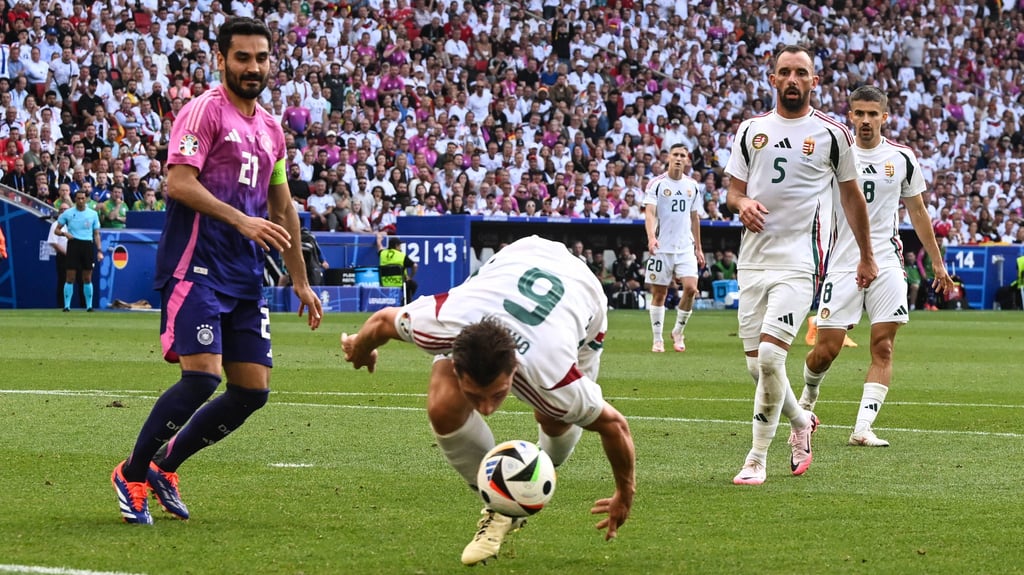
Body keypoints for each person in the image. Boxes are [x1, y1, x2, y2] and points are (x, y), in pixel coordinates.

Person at [110, 18, 323, 525]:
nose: (253, 67)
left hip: (244, 276)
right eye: (243, 58)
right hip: (196, 266)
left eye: (261, 58)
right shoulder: (203, 111)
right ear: (221, 60)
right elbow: (178, 184)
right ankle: (132, 474)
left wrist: (300, 279)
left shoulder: (271, 129)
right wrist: (239, 220)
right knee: (201, 378)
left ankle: (165, 467)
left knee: (252, 391)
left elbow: (283, 208)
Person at [340, 235, 635, 565]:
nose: (487, 409)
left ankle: (523, 489)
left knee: (555, 415)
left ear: (513, 371)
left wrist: (625, 492)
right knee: (443, 406)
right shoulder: (442, 323)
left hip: (582, 294)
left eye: (497, 394)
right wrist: (360, 349)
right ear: (453, 356)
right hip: (511, 261)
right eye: (475, 395)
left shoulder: (553, 377)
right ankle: (501, 505)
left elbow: (615, 426)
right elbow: (382, 322)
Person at [724, 45, 878, 486]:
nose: (793, 79)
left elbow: (851, 196)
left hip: (800, 261)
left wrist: (866, 255)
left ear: (814, 81)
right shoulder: (750, 129)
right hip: (752, 262)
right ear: (772, 79)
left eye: (801, 73)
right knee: (759, 368)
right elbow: (734, 192)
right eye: (785, 72)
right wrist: (742, 203)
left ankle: (756, 459)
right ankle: (800, 419)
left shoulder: (833, 134)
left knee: (773, 357)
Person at [797, 86, 955, 447]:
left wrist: (937, 261)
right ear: (849, 116)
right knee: (827, 350)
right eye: (859, 113)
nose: (865, 120)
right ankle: (808, 397)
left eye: (872, 114)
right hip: (841, 263)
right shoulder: (834, 153)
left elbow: (917, 211)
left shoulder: (901, 157)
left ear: (885, 117)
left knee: (883, 347)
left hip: (886, 261)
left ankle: (862, 428)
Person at [643, 143, 704, 352]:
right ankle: (657, 339)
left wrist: (699, 248)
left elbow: (695, 217)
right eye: (675, 154)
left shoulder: (693, 185)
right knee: (659, 293)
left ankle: (678, 331)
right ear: (668, 157)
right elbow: (649, 213)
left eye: (683, 155)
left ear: (687, 160)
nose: (679, 158)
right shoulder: (656, 184)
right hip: (662, 247)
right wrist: (651, 238)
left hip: (685, 247)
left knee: (691, 289)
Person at [54, 189, 104, 311]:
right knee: (70, 276)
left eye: (83, 198)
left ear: (86, 199)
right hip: (73, 244)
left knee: (87, 277)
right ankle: (67, 306)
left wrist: (99, 250)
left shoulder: (92, 214)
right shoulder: (68, 213)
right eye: (78, 198)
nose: (81, 201)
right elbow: (57, 230)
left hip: (87, 244)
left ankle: (89, 306)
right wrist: (65, 234)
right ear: (75, 199)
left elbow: (96, 233)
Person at [376, 231, 417, 303]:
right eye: (399, 245)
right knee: (412, 284)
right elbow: (415, 265)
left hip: (384, 282)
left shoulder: (383, 253)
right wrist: (410, 277)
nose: (400, 247)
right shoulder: (401, 256)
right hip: (399, 283)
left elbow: (379, 247)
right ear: (396, 246)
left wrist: (378, 240)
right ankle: (405, 303)